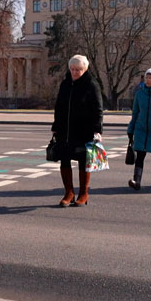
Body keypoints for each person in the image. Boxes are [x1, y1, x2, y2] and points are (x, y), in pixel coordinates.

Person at [52, 54, 103, 207]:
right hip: (65, 130)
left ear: (85, 69)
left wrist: (97, 130)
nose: (75, 72)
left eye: (78, 69)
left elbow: (98, 110)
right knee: (64, 160)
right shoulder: (65, 84)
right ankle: (69, 193)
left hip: (84, 130)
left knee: (83, 162)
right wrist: (55, 127)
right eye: (72, 69)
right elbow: (58, 107)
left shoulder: (91, 85)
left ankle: (83, 193)